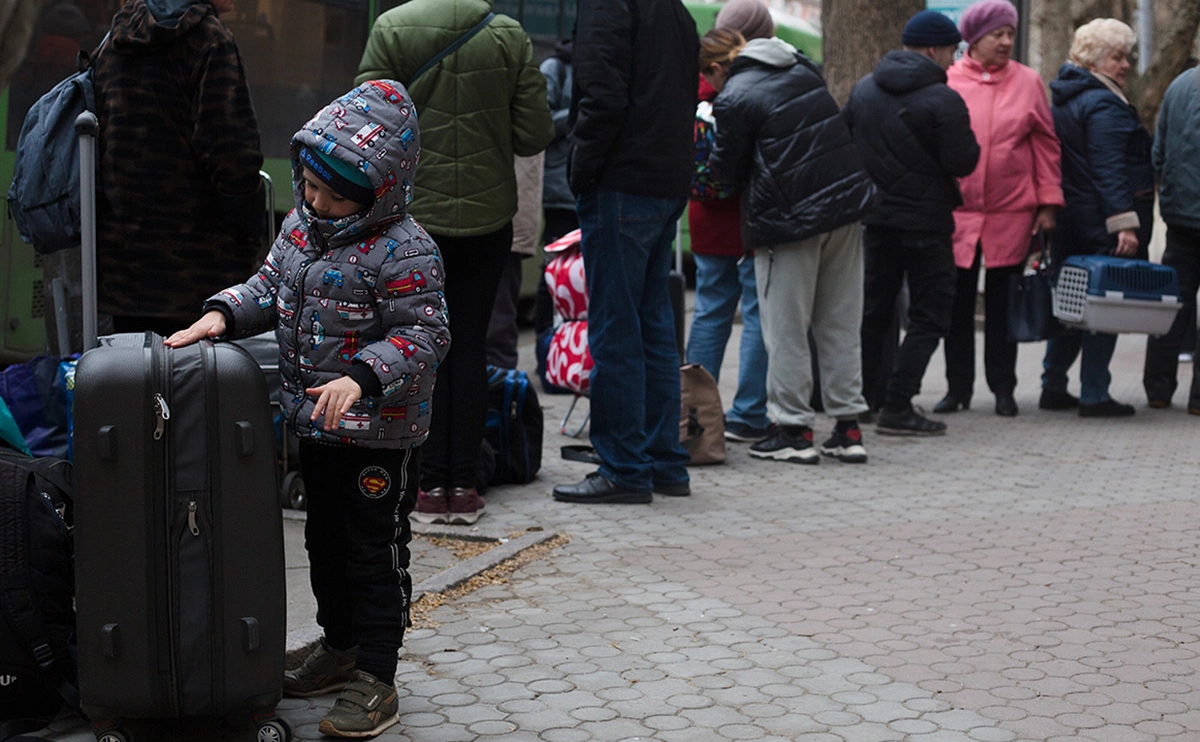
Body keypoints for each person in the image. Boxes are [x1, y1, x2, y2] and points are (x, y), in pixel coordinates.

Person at [164, 80, 450, 738]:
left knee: (372, 555)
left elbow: (425, 336)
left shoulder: (406, 250)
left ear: (380, 191)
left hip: (378, 435)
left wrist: (361, 377)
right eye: (310, 188)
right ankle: (339, 645)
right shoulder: (302, 226)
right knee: (323, 545)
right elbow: (268, 285)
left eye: (334, 196)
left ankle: (377, 676)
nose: (316, 203)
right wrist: (221, 314)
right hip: (316, 429)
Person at [356, 0, 553, 524]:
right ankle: (462, 485)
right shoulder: (509, 36)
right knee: (467, 344)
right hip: (488, 219)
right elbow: (535, 134)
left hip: (410, 220)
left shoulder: (392, 28)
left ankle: (420, 483)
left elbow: (364, 123)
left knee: (409, 344)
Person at [550, 0, 698, 504]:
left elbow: (602, 96)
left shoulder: (608, 6)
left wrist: (582, 170)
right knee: (653, 328)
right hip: (665, 179)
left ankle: (624, 468)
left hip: (623, 179)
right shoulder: (675, 11)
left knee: (616, 330)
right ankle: (662, 462)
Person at [708, 28, 878, 465]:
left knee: (785, 328)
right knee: (839, 323)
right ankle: (848, 428)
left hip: (787, 221)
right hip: (844, 207)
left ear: (716, 69)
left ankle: (793, 429)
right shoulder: (803, 69)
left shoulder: (734, 96)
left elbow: (723, 172)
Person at [93, 0, 266, 336]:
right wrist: (249, 231)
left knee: (134, 378)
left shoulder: (116, 38)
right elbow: (233, 154)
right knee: (191, 382)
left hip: (122, 268)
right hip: (197, 269)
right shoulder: (210, 41)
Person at [845, 10, 980, 436]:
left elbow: (845, 144)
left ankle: (865, 398)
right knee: (929, 314)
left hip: (877, 220)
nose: (955, 60)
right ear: (931, 49)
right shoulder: (944, 99)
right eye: (953, 51)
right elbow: (964, 160)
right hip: (926, 224)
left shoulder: (864, 89)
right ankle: (899, 404)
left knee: (875, 311)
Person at [935, 0, 1064, 418]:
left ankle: (1003, 389)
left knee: (1003, 306)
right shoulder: (948, 80)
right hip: (959, 213)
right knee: (955, 307)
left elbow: (1045, 145)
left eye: (1010, 33)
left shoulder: (1028, 82)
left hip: (1012, 211)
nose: (1007, 41)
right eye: (998, 34)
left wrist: (1047, 202)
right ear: (974, 39)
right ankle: (957, 390)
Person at [1041, 18, 1152, 417]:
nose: (1125, 65)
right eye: (1117, 57)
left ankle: (1053, 383)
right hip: (1101, 219)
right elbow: (1108, 166)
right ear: (1094, 59)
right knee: (1106, 304)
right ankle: (1094, 393)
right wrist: (1124, 222)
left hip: (1073, 216)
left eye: (1126, 56)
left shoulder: (1069, 96)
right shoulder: (1104, 102)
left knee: (1074, 302)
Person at [686, 4, 774, 444]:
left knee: (710, 311)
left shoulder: (691, 87)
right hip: (749, 218)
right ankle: (748, 414)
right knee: (757, 314)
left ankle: (696, 415)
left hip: (704, 218)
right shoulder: (751, 89)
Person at [1143, 64, 1200, 415]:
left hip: (1180, 217)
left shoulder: (1179, 85)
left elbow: (1158, 153)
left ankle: (1158, 389)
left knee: (1172, 305)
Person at [485, 151, 544, 370]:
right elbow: (536, 134)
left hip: (442, 210)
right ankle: (501, 397)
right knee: (498, 324)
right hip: (506, 206)